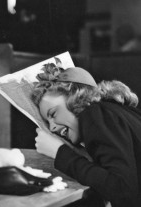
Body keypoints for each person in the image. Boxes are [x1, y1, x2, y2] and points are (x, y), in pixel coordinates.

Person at [31, 65, 141, 207]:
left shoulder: (94, 114)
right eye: (48, 122)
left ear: (76, 97)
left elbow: (123, 193)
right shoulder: (115, 110)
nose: (52, 127)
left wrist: (59, 152)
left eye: (53, 114)